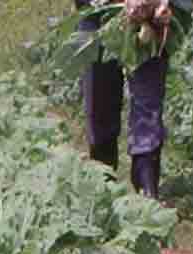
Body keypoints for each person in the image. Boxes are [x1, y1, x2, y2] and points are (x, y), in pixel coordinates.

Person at [73, 0, 181, 198]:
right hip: (98, 10)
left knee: (148, 104)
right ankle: (103, 190)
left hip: (151, 12)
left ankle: (147, 197)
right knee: (99, 103)